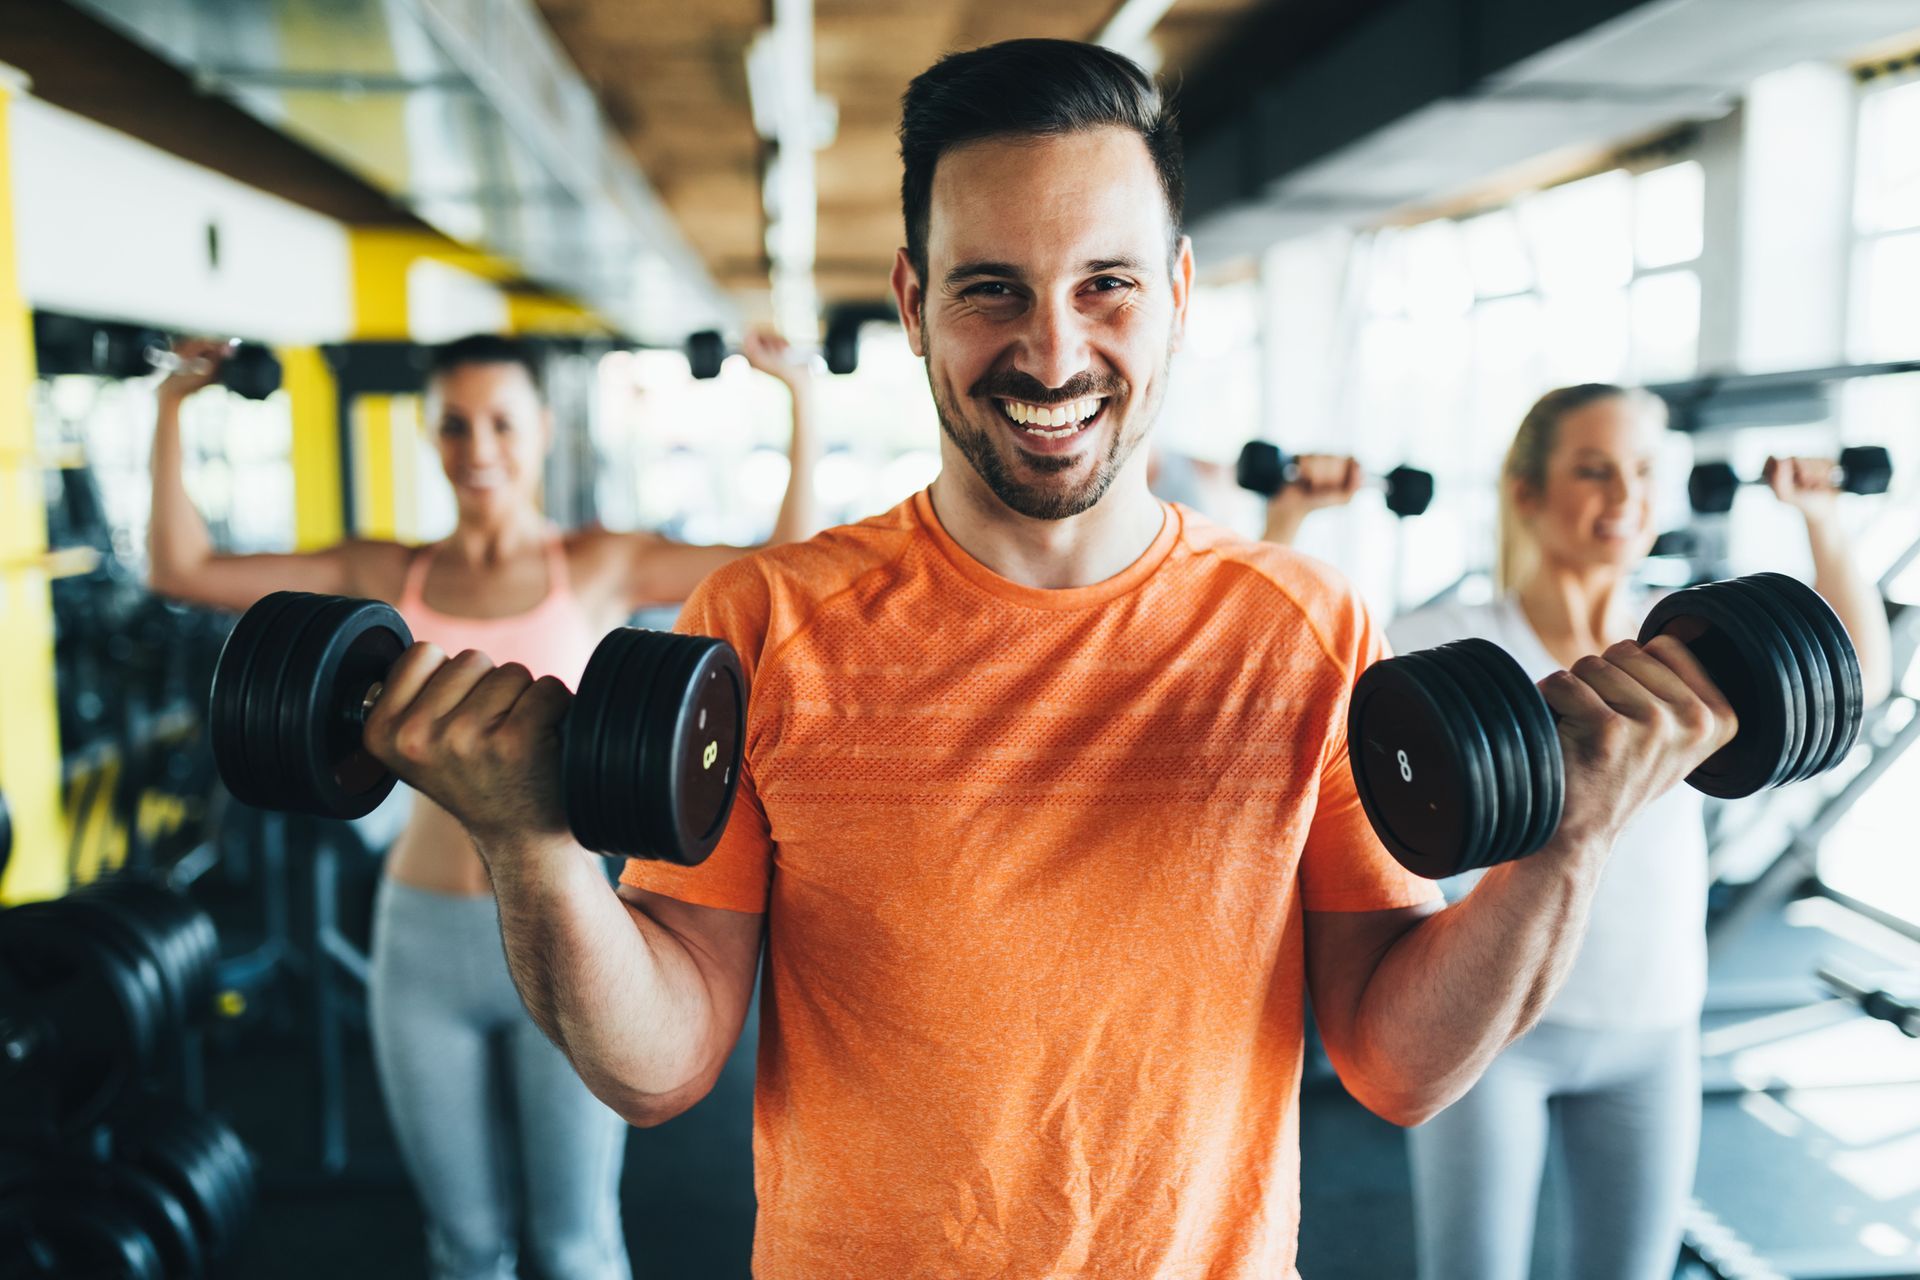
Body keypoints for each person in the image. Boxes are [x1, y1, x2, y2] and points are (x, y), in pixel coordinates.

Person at [350, 42, 1748, 1279]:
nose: (1053, 348)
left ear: (1181, 291)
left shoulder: (1303, 629)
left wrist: (1565, 846)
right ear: (912, 298)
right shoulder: (767, 620)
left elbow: (1396, 1066)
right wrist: (531, 851)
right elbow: (660, 1070)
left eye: (1108, 286)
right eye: (991, 289)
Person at [146, 328, 819, 1280]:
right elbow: (183, 571)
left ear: (541, 430)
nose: (479, 448)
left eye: (502, 422)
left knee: (576, 1242)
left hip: (571, 927)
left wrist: (799, 399)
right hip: (419, 936)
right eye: (455, 425)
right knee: (464, 1248)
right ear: (432, 436)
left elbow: (785, 563)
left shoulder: (595, 564)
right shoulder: (392, 576)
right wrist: (173, 407)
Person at [1269, 386, 1892, 1280]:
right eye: (1592, 470)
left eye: (1642, 471)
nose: (1623, 495)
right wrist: (1288, 515)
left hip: (1658, 1022)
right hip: (1493, 1037)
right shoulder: (1445, 639)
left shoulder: (1690, 652)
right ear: (1526, 492)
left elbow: (1847, 683)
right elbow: (1283, 679)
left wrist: (1823, 520)